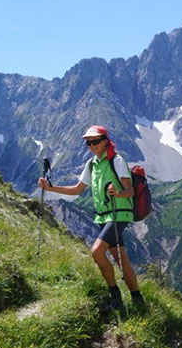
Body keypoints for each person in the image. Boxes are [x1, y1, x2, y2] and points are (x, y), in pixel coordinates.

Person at [38, 125, 144, 316]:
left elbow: (131, 191)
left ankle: (115, 296)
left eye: (95, 141)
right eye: (88, 143)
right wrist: (50, 188)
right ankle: (138, 299)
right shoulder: (91, 164)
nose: (91, 145)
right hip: (103, 216)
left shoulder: (117, 161)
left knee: (96, 252)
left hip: (119, 214)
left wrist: (118, 193)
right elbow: (78, 189)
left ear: (105, 141)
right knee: (122, 260)